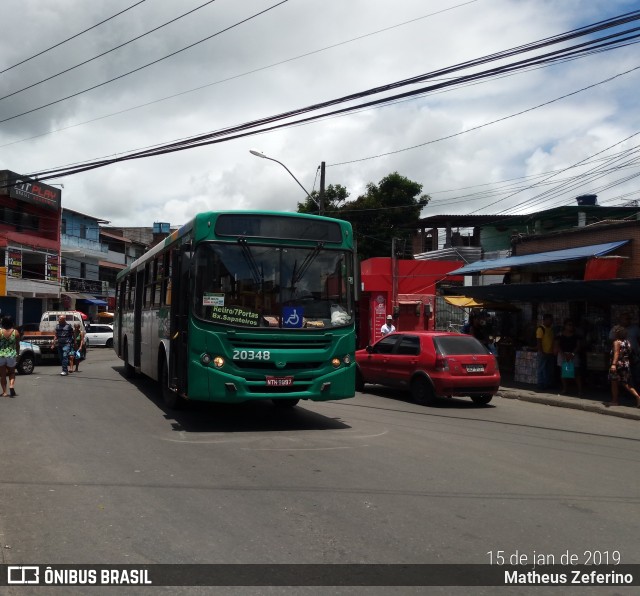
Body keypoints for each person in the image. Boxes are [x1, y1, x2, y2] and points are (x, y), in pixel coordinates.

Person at [607, 325, 640, 407]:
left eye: (614, 331)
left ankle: (615, 401)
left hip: (618, 365)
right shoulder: (627, 342)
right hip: (625, 364)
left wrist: (614, 364)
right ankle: (637, 396)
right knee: (626, 383)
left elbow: (616, 353)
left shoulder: (616, 342)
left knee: (614, 382)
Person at [554, 319, 583, 396]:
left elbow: (578, 346)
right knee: (563, 372)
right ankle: (565, 389)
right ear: (565, 326)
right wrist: (563, 355)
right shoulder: (559, 335)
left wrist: (572, 354)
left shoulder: (576, 336)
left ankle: (580, 390)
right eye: (569, 325)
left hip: (573, 355)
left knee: (576, 372)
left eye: (572, 325)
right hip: (562, 354)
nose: (571, 327)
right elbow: (557, 345)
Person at [0, 315, 20, 397]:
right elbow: (17, 345)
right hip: (11, 355)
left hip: (1, 355)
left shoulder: (0, 332)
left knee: (3, 375)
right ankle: (11, 385)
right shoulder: (16, 332)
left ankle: (4, 392)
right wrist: (17, 354)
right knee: (12, 372)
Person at [536, 313, 555, 390]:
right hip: (543, 352)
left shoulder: (551, 329)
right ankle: (541, 384)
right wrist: (541, 351)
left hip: (550, 353)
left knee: (549, 369)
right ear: (545, 320)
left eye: (551, 320)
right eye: (549, 320)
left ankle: (548, 383)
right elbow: (539, 341)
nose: (551, 322)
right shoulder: (541, 329)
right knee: (541, 368)